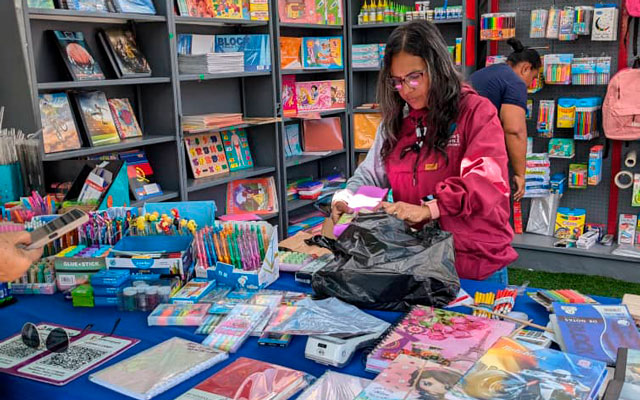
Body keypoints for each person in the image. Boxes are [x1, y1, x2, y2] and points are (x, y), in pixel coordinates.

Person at [331, 20, 518, 283]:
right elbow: (371, 177)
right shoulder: (396, 122)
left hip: (474, 264)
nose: (406, 89)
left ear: (437, 67)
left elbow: (485, 180)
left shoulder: (476, 112)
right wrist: (347, 198)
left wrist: (431, 209)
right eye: (397, 81)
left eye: (414, 77)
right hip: (420, 264)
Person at [469, 39, 542, 201]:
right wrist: (519, 174)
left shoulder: (484, 73)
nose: (531, 84)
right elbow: (514, 130)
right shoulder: (515, 82)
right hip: (480, 156)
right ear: (526, 68)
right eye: (533, 77)